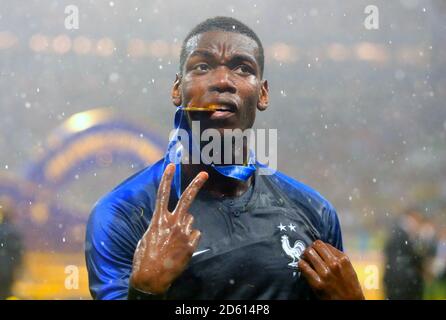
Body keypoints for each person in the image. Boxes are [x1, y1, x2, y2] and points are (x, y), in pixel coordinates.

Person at [85, 16, 364, 300]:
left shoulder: (315, 212)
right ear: (177, 89)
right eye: (202, 67)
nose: (222, 81)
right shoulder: (121, 213)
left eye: (242, 68)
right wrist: (145, 291)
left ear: (263, 94)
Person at [383, 207, 426, 299]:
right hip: (403, 285)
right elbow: (412, 257)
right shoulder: (403, 235)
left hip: (396, 283)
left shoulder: (397, 232)